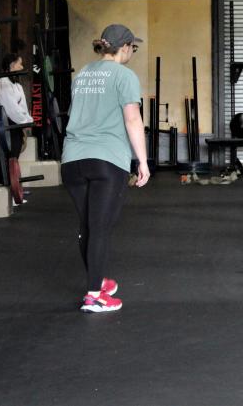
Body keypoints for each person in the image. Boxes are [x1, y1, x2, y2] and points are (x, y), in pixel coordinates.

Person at [62, 24, 150, 313]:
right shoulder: (125, 76)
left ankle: (97, 282)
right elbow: (133, 120)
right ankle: (94, 296)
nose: (132, 53)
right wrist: (143, 162)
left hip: (72, 160)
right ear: (123, 46)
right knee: (99, 227)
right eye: (132, 48)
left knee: (87, 226)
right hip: (106, 159)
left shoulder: (81, 75)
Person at [0, 53, 33, 161]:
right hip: (8, 128)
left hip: (16, 126)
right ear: (12, 65)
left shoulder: (17, 86)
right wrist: (25, 121)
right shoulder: (3, 85)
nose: (22, 67)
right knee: (11, 159)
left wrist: (28, 120)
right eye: (19, 64)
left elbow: (23, 107)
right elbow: (12, 110)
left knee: (15, 157)